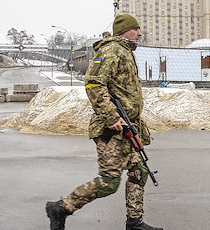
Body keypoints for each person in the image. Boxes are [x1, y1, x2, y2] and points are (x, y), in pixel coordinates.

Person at [46, 14, 162, 230]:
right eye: (135, 29)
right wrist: (110, 117)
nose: (139, 33)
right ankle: (61, 208)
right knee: (109, 183)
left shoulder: (126, 51)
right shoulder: (112, 50)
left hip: (127, 127)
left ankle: (134, 222)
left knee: (139, 171)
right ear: (124, 30)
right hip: (112, 129)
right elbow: (93, 83)